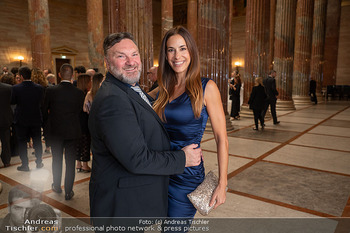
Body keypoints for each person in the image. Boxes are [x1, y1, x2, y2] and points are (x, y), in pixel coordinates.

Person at [88, 32, 202, 220]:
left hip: (129, 201)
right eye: (121, 56)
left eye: (134, 54)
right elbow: (137, 159)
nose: (131, 62)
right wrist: (183, 158)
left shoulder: (129, 88)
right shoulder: (113, 99)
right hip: (120, 209)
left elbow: (145, 109)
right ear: (107, 63)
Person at [149, 26, 228, 220]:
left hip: (186, 176)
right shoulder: (161, 90)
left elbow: (221, 138)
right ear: (165, 55)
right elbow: (134, 100)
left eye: (182, 48)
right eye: (171, 50)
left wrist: (222, 183)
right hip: (160, 171)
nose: (177, 56)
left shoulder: (206, 87)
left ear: (191, 51)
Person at [43, 64, 85, 200]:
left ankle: (56, 185)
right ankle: (68, 191)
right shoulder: (79, 92)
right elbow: (79, 111)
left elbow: (44, 110)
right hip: (72, 130)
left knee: (56, 160)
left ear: (59, 75)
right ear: (72, 75)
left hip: (56, 130)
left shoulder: (51, 90)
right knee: (70, 161)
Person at [11, 67, 44, 171]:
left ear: (21, 76)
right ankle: (39, 162)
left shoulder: (16, 88)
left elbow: (12, 101)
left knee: (22, 143)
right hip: (35, 118)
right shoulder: (39, 87)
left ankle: (25, 165)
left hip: (21, 119)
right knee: (37, 141)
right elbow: (41, 102)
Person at [75, 74, 92, 173]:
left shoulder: (75, 93)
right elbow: (87, 109)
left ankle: (78, 164)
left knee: (78, 142)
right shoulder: (87, 94)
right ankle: (85, 165)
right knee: (86, 142)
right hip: (85, 120)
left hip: (76, 121)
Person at [0, 81, 13, 167]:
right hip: (5, 118)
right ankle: (6, 160)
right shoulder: (8, 88)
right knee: (6, 141)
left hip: (5, 118)